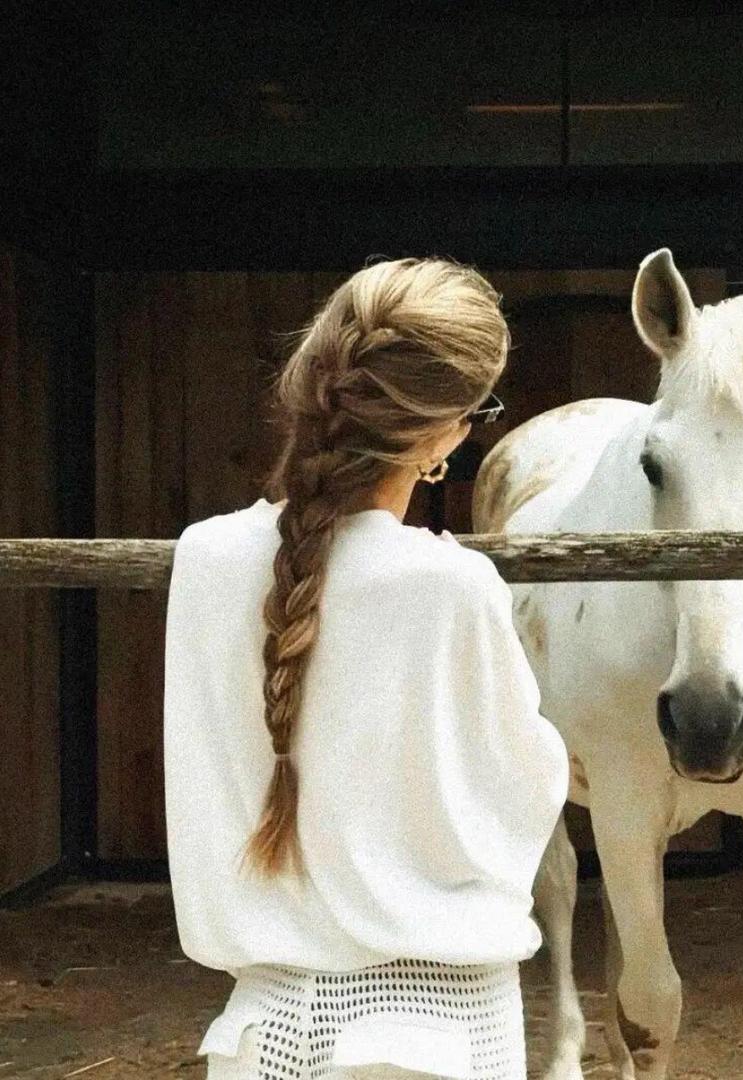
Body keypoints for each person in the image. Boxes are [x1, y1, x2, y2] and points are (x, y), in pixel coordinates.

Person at [162, 256, 570, 1080]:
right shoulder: (453, 587)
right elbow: (519, 797)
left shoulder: (202, 562)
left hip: (258, 1035)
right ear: (442, 435)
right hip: (439, 1035)